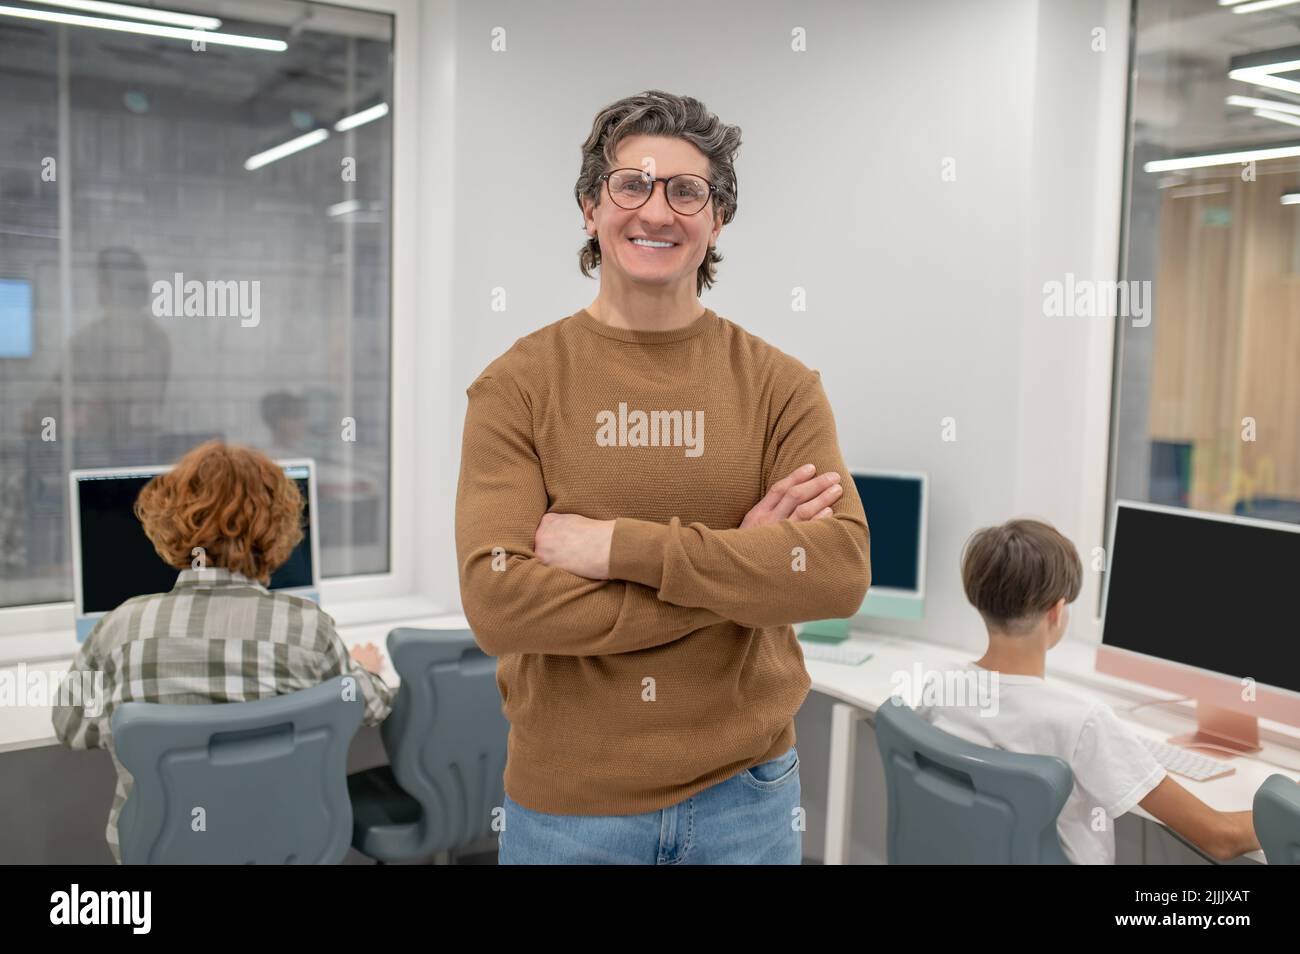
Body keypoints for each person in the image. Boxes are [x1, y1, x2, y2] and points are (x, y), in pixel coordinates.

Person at [455, 90, 871, 864]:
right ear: (590, 207)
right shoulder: (517, 384)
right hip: (568, 811)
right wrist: (739, 566)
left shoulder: (782, 386)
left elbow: (838, 573)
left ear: (717, 221)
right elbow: (499, 603)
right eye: (630, 184)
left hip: (749, 796)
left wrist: (621, 549)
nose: (657, 210)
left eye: (687, 191)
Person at [51, 439, 393, 863]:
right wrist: (362, 670)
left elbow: (69, 726)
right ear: (280, 528)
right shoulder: (308, 629)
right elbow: (373, 706)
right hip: (284, 847)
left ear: (170, 525)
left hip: (165, 851)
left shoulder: (122, 628)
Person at [914, 518, 1260, 863]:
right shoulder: (1082, 722)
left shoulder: (940, 690)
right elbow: (1220, 838)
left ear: (978, 599)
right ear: (1057, 611)